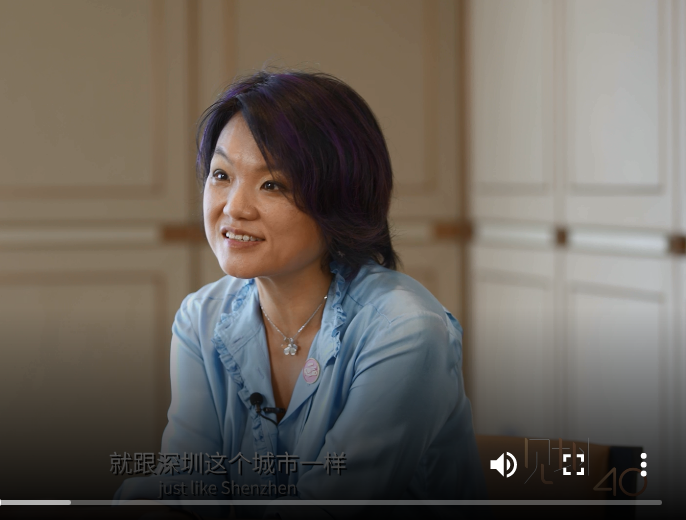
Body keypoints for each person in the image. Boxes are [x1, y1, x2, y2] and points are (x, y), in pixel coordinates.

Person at [114, 69, 486, 519]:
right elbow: (188, 487)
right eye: (221, 174)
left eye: (272, 184)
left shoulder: (404, 329)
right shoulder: (201, 318)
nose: (234, 207)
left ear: (340, 197)